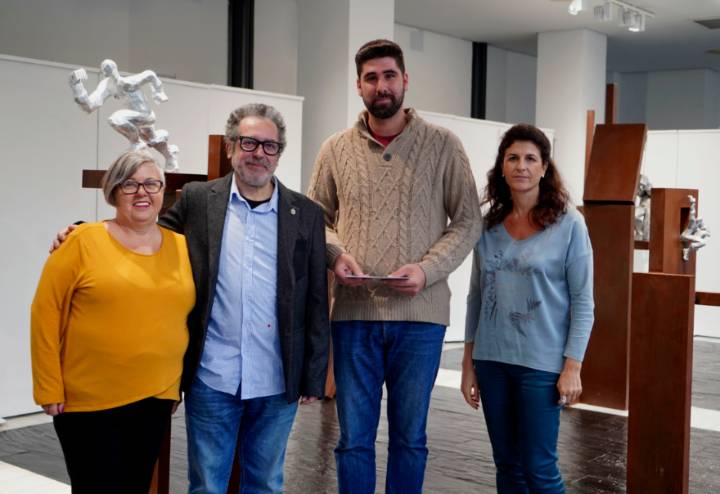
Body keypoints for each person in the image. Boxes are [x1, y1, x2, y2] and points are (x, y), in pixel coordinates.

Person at [52, 103, 330, 493]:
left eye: (270, 146)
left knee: (266, 482)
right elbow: (145, 234)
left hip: (276, 376)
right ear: (231, 148)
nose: (259, 153)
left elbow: (315, 298)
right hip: (212, 375)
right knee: (206, 484)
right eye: (249, 143)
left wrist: (313, 374)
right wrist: (86, 232)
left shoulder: (306, 213)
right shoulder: (200, 200)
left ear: (279, 153)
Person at [307, 39, 482, 493]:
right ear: (358, 86)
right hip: (353, 316)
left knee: (410, 440)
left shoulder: (443, 145)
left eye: (389, 75)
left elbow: (468, 221)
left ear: (405, 79)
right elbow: (315, 220)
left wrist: (427, 270)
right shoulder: (334, 149)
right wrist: (335, 256)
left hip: (420, 320)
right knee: (353, 441)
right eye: (371, 78)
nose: (381, 86)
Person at [32, 150, 195, 493]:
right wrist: (48, 386)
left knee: (135, 486)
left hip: (156, 396)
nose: (142, 192)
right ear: (113, 192)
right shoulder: (81, 240)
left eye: (151, 184)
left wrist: (175, 387)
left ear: (163, 191)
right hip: (88, 400)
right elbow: (45, 313)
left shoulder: (182, 247)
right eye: (129, 184)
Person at [461, 124, 594, 493]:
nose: (521, 166)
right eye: (513, 158)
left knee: (539, 468)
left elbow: (584, 301)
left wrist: (573, 366)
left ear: (544, 168)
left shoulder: (570, 224)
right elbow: (476, 296)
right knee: (507, 465)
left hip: (542, 365)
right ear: (502, 167)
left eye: (531, 159)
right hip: (492, 361)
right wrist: (468, 363)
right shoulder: (487, 225)